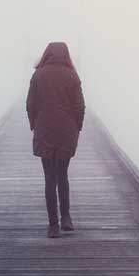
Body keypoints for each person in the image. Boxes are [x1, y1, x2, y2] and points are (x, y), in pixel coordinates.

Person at [26, 41, 85, 238]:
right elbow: (79, 106)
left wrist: (35, 124)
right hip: (66, 131)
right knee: (63, 175)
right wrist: (77, 127)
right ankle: (66, 218)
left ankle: (53, 226)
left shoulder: (38, 75)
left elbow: (30, 105)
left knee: (49, 179)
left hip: (45, 130)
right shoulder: (72, 75)